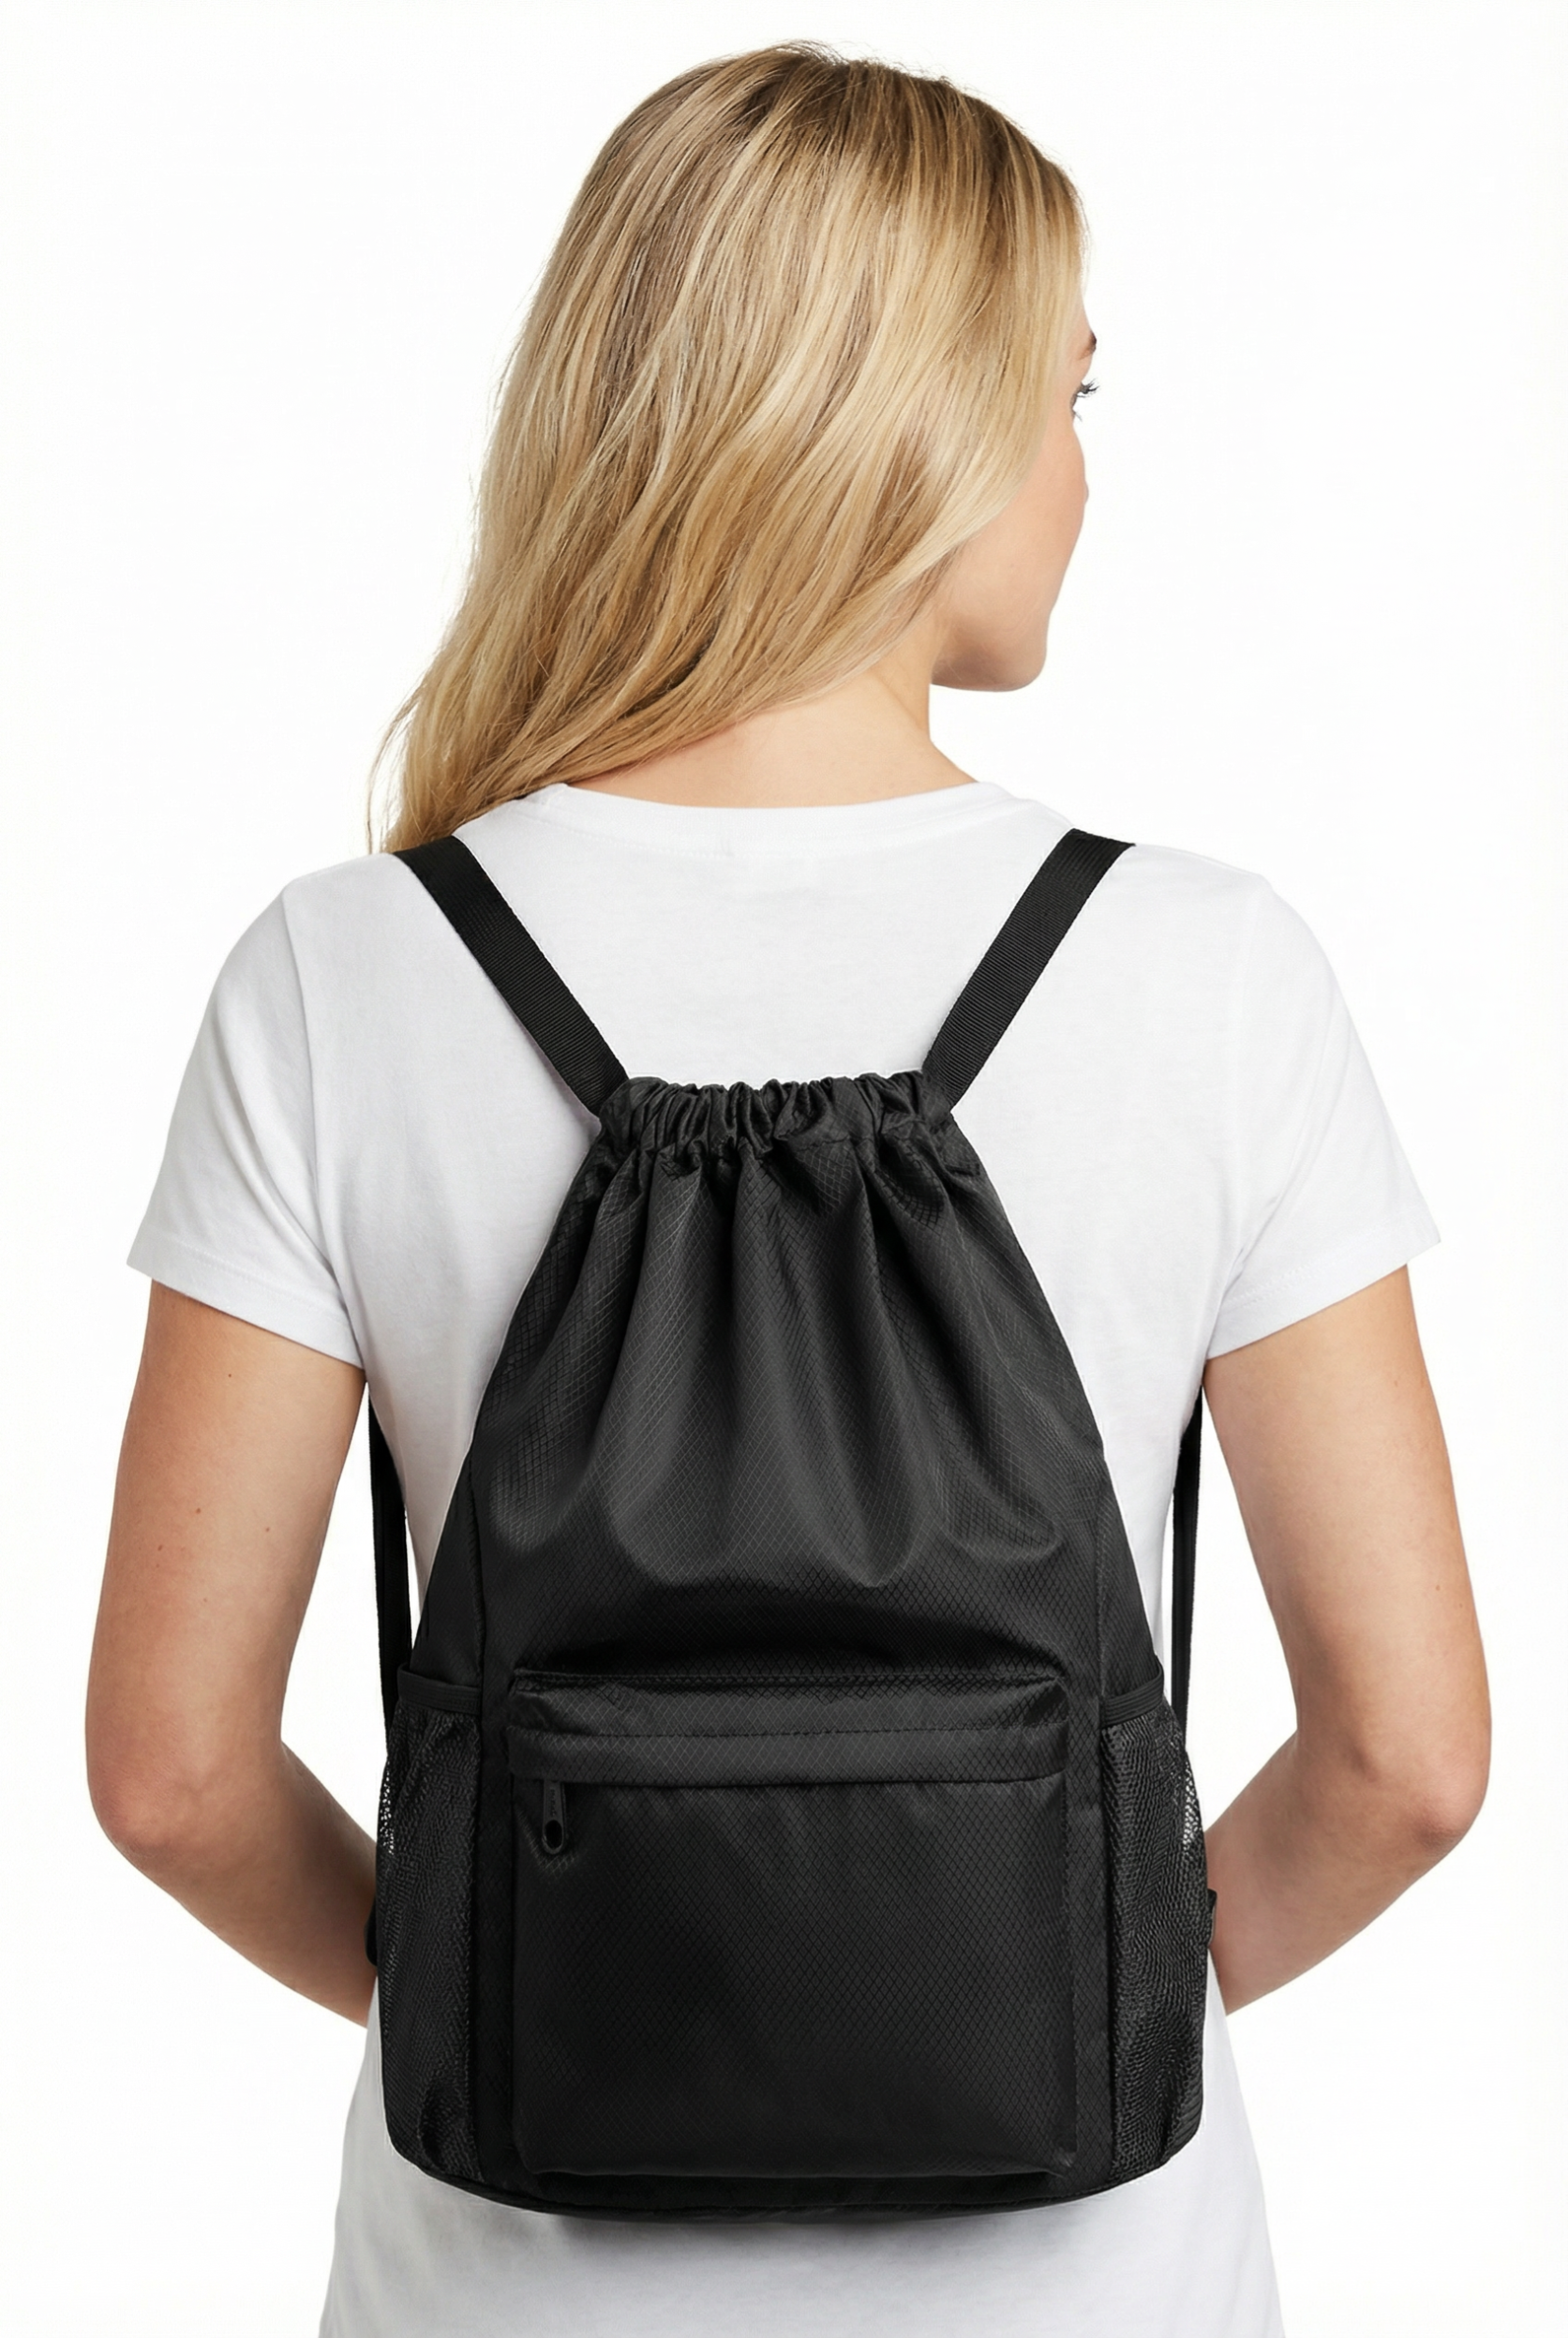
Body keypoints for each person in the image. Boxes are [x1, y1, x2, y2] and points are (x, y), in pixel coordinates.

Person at [85, 43, 1489, 2338]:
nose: (1078, 472)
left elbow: (168, 1773)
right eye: (1065, 395)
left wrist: (574, 1999)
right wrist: (1025, 1993)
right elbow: (1404, 1759)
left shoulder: (343, 973)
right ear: (919, 427)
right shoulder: (1208, 967)